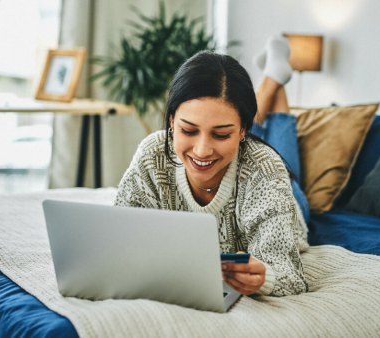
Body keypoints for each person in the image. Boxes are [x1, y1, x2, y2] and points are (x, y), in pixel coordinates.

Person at [114, 35, 308, 296]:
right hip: (242, 156)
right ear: (171, 121)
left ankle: (274, 77)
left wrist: (265, 279)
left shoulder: (267, 170)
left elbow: (290, 276)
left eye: (221, 134)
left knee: (282, 160)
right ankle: (275, 76)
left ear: (242, 132)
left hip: (287, 196)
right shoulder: (153, 153)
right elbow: (118, 237)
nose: (201, 150)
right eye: (188, 130)